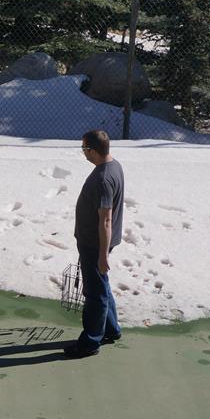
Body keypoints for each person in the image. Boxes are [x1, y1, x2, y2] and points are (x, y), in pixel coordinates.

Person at [65, 130, 125, 359]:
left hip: (94, 245)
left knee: (94, 293)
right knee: (102, 286)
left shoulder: (103, 179)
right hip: (95, 243)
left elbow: (106, 219)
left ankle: (90, 342)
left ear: (92, 150)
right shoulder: (113, 165)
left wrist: (102, 255)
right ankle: (111, 329)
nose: (83, 153)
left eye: (84, 149)